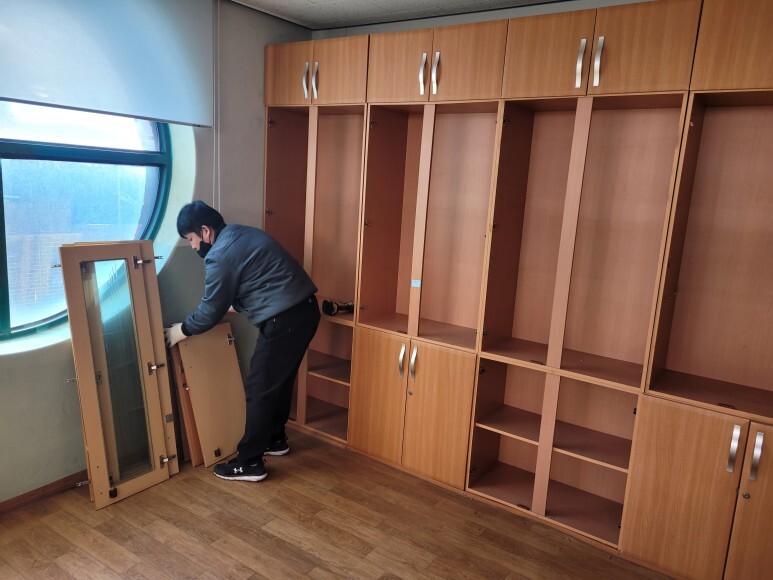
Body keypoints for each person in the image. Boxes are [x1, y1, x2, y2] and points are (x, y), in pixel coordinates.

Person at [164, 201, 319, 482]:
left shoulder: (219, 255)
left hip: (284, 321)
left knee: (259, 387)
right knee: (278, 382)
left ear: (205, 231)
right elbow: (263, 278)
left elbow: (209, 311)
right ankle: (275, 439)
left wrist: (181, 330)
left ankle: (249, 463)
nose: (193, 246)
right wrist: (238, 304)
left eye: (191, 239)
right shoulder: (243, 233)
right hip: (305, 312)